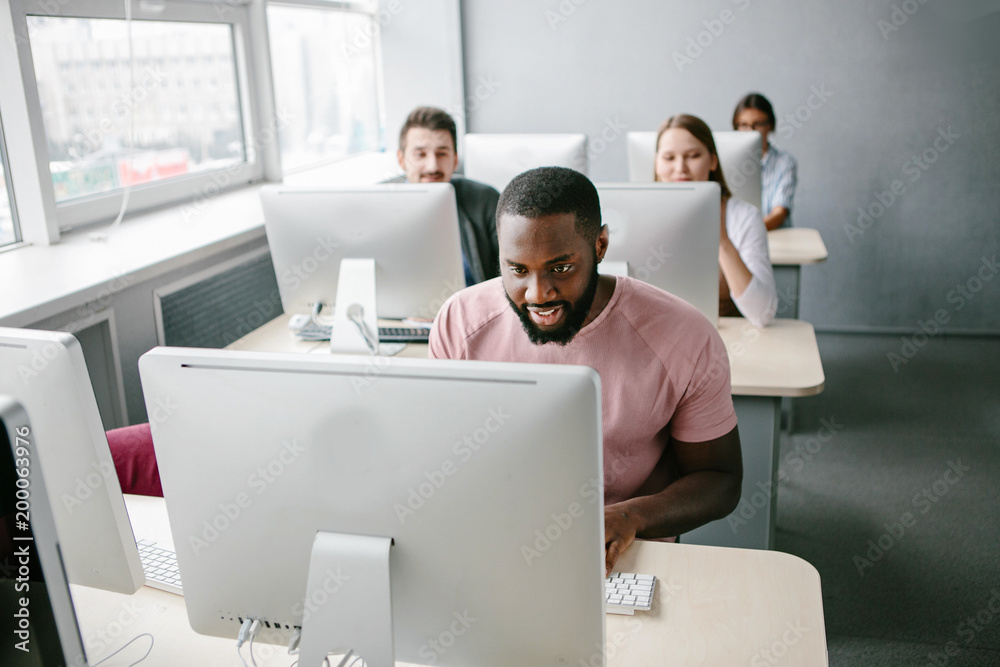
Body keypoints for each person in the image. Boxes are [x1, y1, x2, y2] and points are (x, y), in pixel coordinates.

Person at [429, 167, 743, 575]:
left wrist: (630, 517)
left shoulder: (684, 336)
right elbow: (440, 458)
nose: (538, 294)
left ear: (600, 245)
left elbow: (720, 479)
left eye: (560, 268)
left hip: (623, 553)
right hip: (499, 545)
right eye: (518, 270)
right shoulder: (460, 322)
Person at [654, 114, 778, 328]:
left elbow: (763, 314)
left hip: (722, 341)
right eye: (669, 158)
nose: (680, 167)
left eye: (693, 156)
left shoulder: (743, 217)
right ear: (656, 163)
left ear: (712, 160)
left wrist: (722, 240)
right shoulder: (644, 216)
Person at [395, 106, 500, 286]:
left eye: (442, 154)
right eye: (420, 154)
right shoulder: (383, 208)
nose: (432, 166)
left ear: (455, 159)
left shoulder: (485, 200)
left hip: (471, 311)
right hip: (404, 314)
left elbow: (513, 272)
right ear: (402, 160)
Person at [732, 93, 798, 231]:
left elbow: (779, 213)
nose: (750, 131)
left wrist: (751, 232)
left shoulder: (785, 163)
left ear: (770, 125)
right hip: (738, 240)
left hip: (775, 238)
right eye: (743, 125)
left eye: (757, 124)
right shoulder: (726, 162)